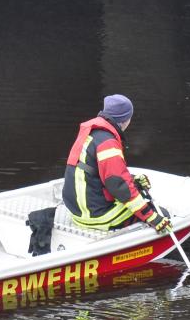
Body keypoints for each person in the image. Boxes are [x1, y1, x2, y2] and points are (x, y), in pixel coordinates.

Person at [61, 94, 171, 233]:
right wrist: (152, 217)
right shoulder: (108, 143)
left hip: (77, 212)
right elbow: (119, 186)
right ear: (126, 120)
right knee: (160, 212)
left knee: (134, 194)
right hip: (96, 216)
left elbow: (97, 172)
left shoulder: (91, 133)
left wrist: (132, 180)